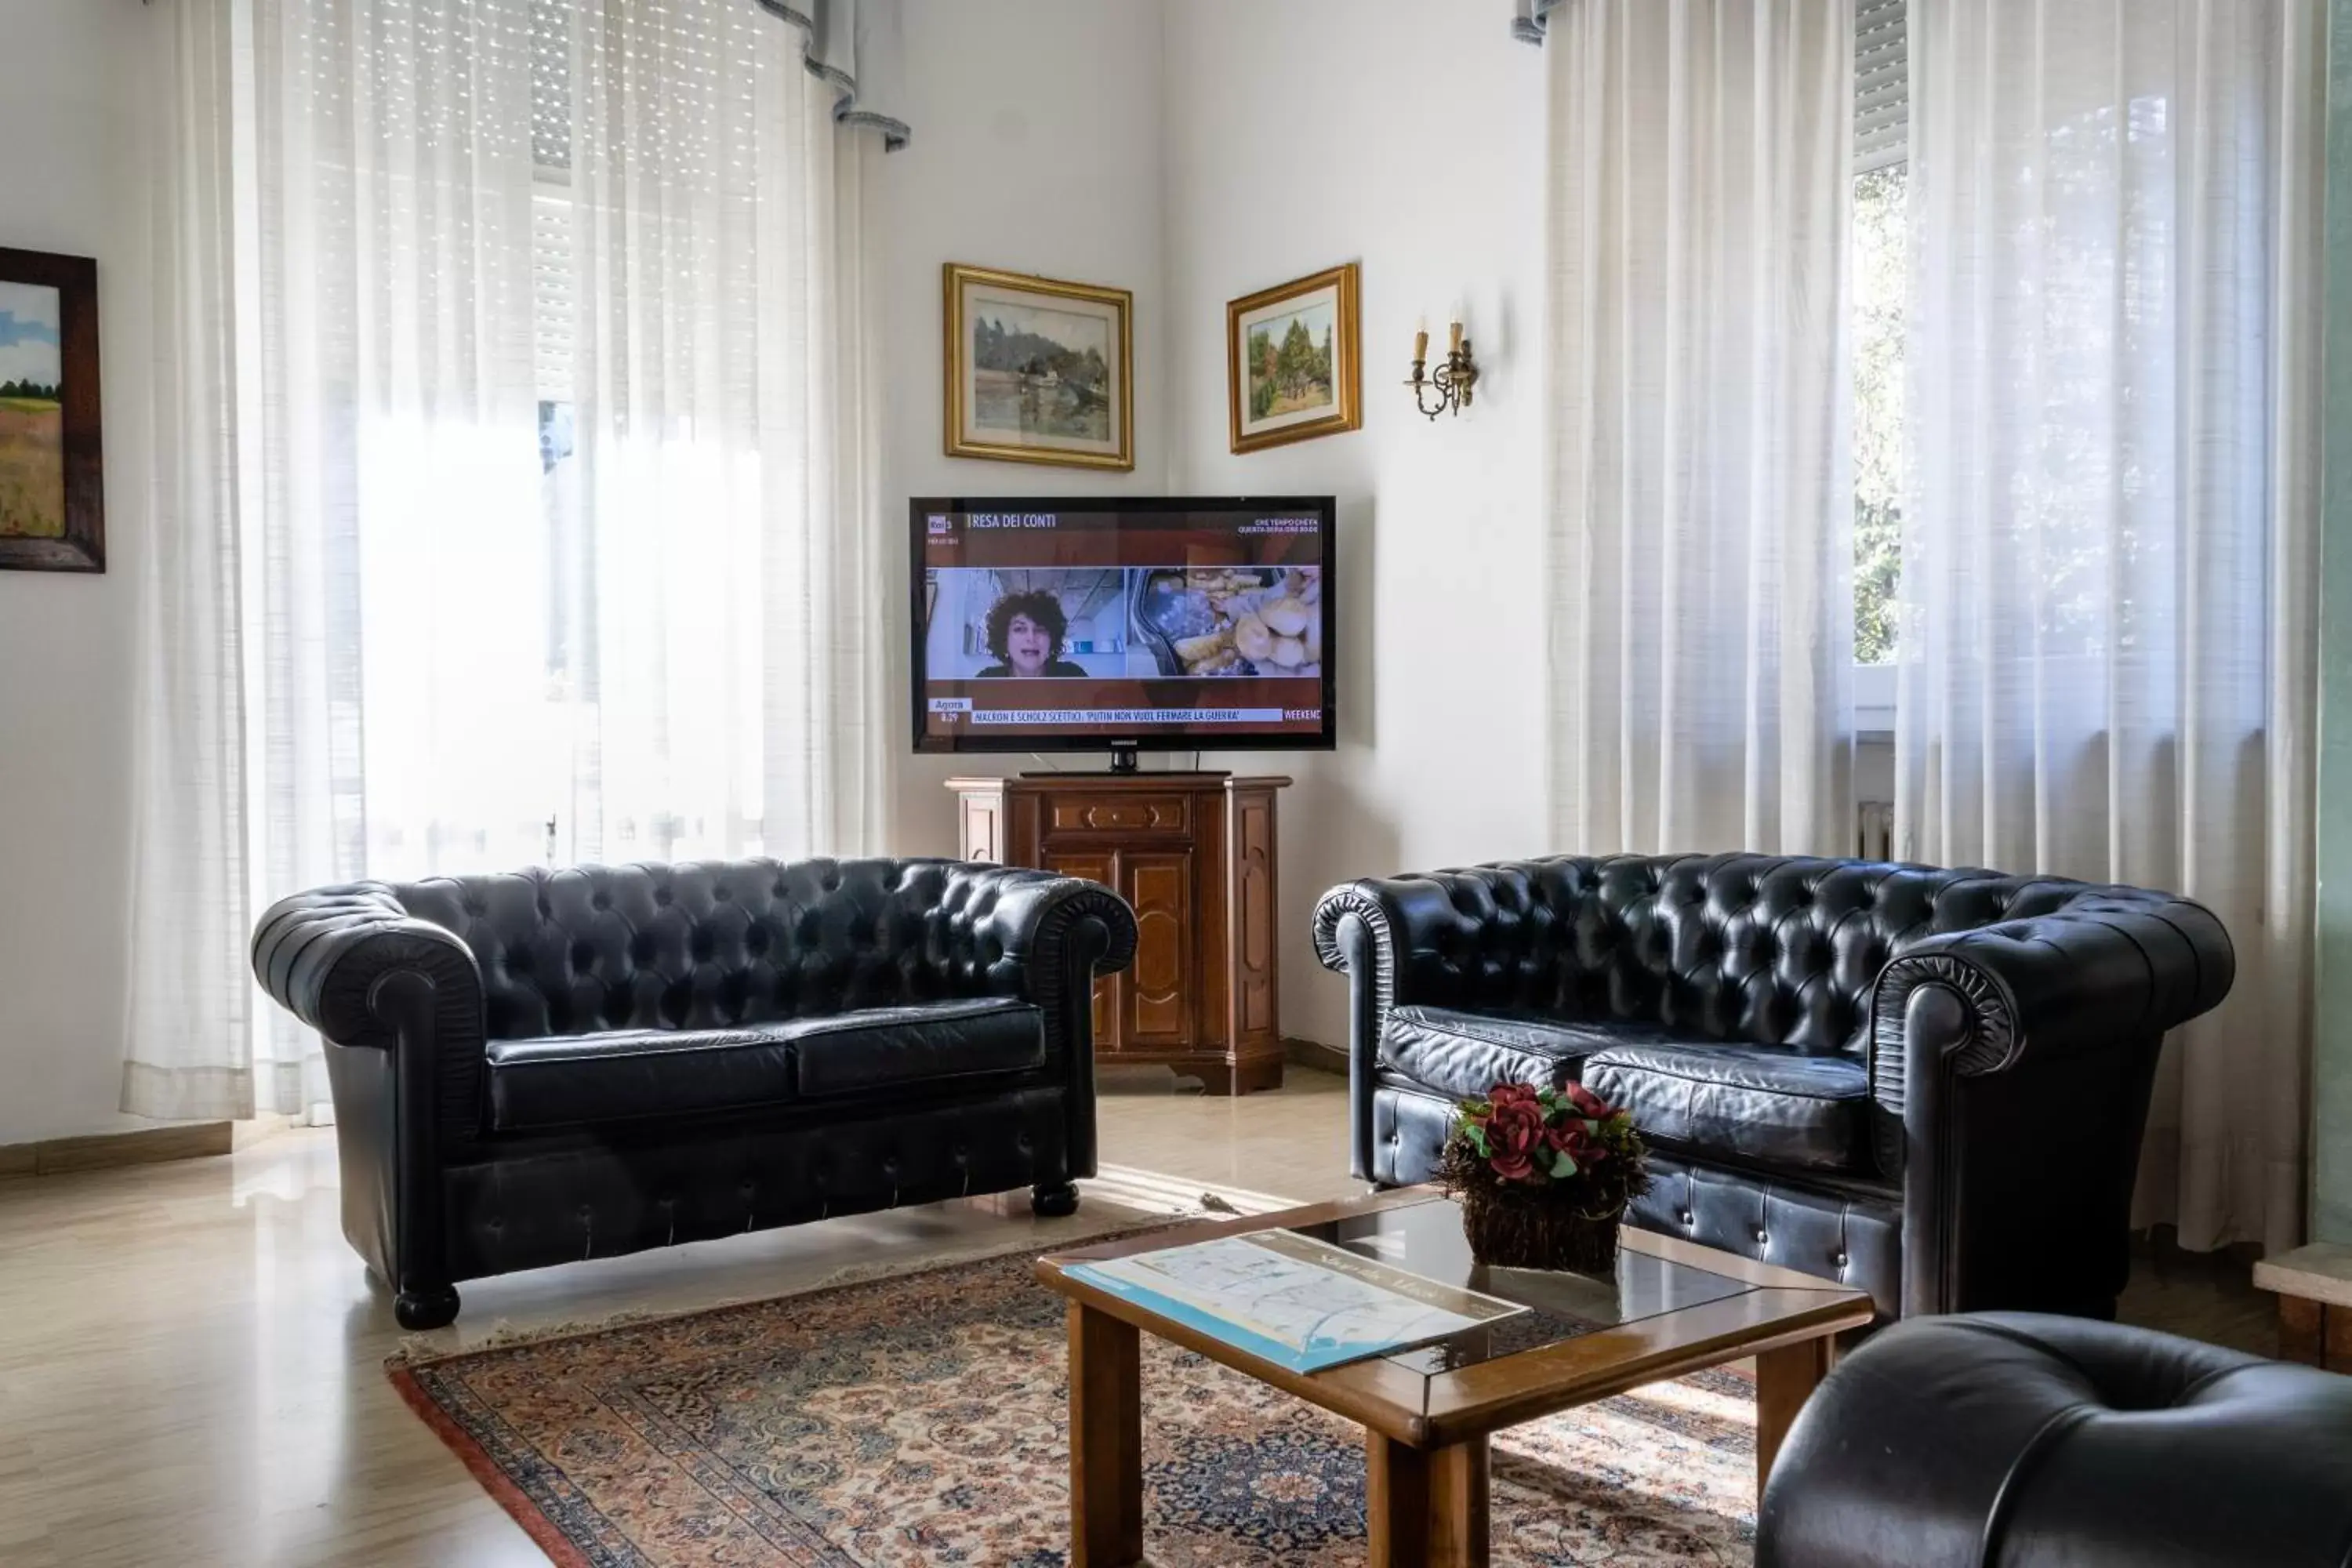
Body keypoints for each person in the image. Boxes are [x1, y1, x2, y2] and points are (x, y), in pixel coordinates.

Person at [975, 588, 1089, 677]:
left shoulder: (1072, 675)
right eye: (1020, 629)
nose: (1031, 637)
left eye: (1040, 630)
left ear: (1052, 639)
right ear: (1004, 639)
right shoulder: (987, 679)